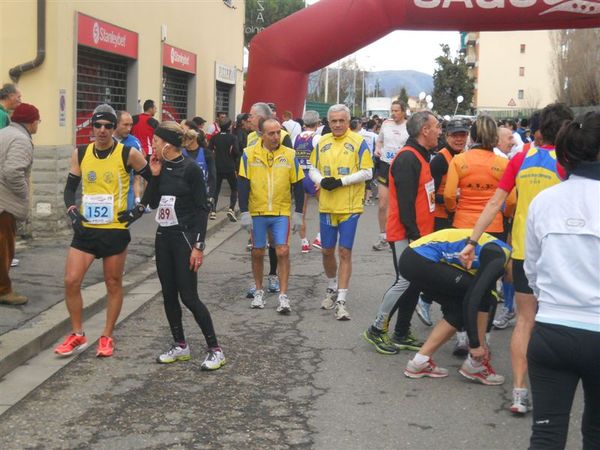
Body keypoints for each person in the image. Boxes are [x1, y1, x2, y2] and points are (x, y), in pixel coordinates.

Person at [459, 102, 573, 414]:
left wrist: (472, 240)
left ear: (538, 130)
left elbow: (496, 202)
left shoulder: (520, 159)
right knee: (559, 321)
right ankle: (556, 390)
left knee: (525, 320)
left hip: (524, 252)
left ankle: (519, 392)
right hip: (561, 253)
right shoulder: (568, 162)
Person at [121, 121, 226, 370]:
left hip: (186, 237)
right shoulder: (161, 167)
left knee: (188, 296)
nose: (153, 146)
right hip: (164, 237)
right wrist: (154, 177)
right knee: (168, 294)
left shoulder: (190, 169)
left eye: (156, 142)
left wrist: (199, 245)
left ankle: (215, 349)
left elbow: (203, 208)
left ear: (167, 144)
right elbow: (152, 202)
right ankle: (180, 345)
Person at [525, 112, 600, 450]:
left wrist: (553, 301)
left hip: (552, 329)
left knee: (545, 435)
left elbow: (533, 271)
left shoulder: (545, 201)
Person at [54, 104, 150, 358]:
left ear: (114, 127)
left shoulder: (128, 153)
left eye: (108, 125)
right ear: (92, 128)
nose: (103, 130)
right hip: (86, 229)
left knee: (113, 282)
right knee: (71, 280)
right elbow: (69, 189)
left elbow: (153, 179)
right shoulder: (81, 153)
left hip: (115, 229)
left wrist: (136, 211)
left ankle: (107, 336)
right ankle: (78, 334)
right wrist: (72, 211)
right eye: (98, 125)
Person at [363, 111, 439, 352]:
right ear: (424, 130)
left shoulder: (420, 155)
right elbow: (405, 204)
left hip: (419, 234)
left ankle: (401, 332)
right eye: (436, 127)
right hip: (407, 233)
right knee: (404, 282)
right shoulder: (408, 158)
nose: (440, 131)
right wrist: (415, 235)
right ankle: (376, 329)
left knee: (414, 284)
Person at [394, 229, 510, 386]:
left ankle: (418, 363)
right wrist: (475, 345)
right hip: (420, 258)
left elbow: (486, 303)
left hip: (414, 259)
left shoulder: (500, 257)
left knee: (457, 309)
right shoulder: (499, 256)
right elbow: (474, 299)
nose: (512, 284)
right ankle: (475, 364)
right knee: (477, 297)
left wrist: (479, 342)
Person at [309, 104, 373, 320]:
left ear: (348, 122)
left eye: (341, 121)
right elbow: (312, 169)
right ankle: (332, 285)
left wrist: (341, 181)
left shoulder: (358, 142)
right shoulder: (322, 142)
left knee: (344, 252)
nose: (337, 124)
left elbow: (368, 171)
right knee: (327, 251)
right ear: (328, 122)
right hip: (327, 205)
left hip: (350, 206)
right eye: (333, 121)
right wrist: (321, 180)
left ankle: (342, 300)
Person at [238, 118, 304, 313]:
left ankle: (283, 295)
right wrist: (244, 212)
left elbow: (298, 185)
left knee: (282, 250)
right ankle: (259, 291)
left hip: (280, 211)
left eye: (279, 133)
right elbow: (243, 183)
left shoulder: (290, 154)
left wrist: (298, 212)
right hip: (257, 211)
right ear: (261, 135)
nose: (276, 137)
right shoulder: (249, 154)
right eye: (271, 133)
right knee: (257, 251)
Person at [415, 118, 469, 327]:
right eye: (455, 135)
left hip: (456, 217)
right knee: (444, 268)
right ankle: (426, 299)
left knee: (454, 267)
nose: (459, 139)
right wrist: (451, 196)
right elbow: (429, 193)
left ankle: (431, 302)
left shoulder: (465, 157)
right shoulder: (440, 160)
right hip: (440, 219)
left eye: (462, 135)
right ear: (446, 137)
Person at [0, 103, 40, 305]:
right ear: (32, 122)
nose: (38, 125)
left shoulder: (4, 132)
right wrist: (24, 194)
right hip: (4, 204)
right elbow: (12, 172)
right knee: (4, 249)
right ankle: (3, 290)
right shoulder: (21, 139)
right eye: (38, 121)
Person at [372, 100, 409, 251]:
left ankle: (400, 238)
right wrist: (377, 149)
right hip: (385, 165)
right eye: (392, 110)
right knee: (382, 204)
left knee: (400, 205)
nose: (393, 114)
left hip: (402, 167)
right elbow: (379, 141)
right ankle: (383, 237)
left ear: (403, 112)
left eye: (396, 111)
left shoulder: (409, 126)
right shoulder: (386, 124)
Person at [294, 110, 321, 253]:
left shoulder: (297, 138)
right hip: (313, 175)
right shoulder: (318, 138)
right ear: (317, 123)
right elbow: (322, 158)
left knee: (301, 211)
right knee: (325, 208)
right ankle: (320, 237)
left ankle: (304, 242)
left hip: (300, 175)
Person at [180, 127, 217, 221]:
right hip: (184, 194)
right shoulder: (181, 154)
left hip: (202, 194)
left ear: (194, 139)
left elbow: (212, 176)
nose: (184, 141)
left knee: (199, 224)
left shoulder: (206, 153)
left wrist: (210, 196)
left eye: (187, 138)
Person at [209, 119, 240, 222]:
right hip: (230, 166)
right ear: (229, 127)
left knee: (216, 189)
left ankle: (213, 211)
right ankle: (231, 209)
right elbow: (236, 151)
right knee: (234, 188)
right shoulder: (233, 137)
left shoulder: (214, 137)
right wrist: (234, 156)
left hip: (217, 166)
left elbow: (209, 150)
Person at [113, 111, 142, 209]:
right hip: (107, 190)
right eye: (125, 125)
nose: (129, 129)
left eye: (131, 125)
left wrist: (137, 197)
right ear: (115, 124)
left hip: (126, 191)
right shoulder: (105, 140)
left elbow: (137, 175)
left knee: (124, 222)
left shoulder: (135, 143)